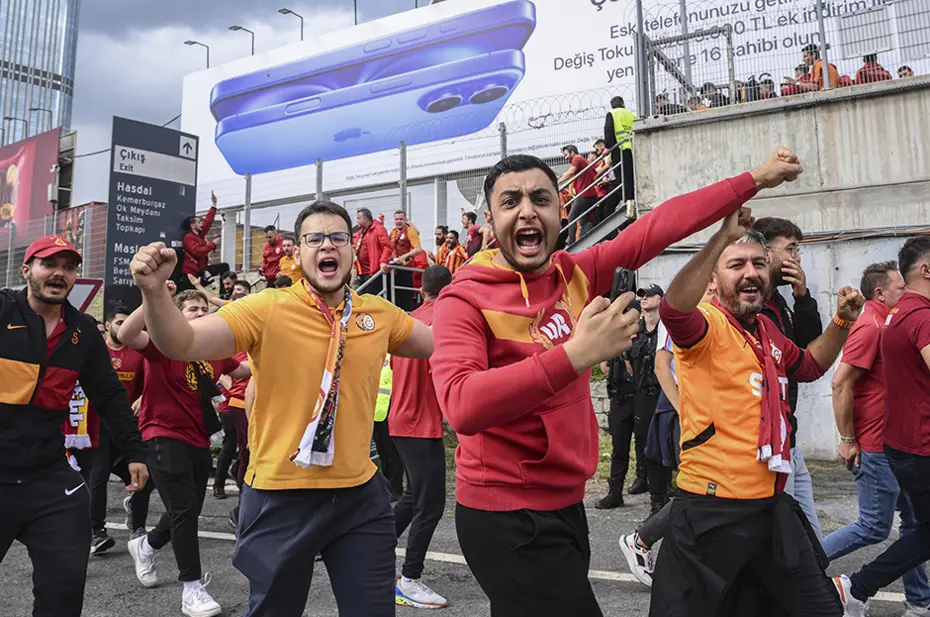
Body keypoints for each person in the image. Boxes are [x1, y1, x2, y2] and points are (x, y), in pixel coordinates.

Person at [430, 149, 803, 616]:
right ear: (490, 218)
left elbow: (659, 225)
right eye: (511, 201)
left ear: (560, 210)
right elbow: (462, 406)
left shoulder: (574, 274)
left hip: (565, 501)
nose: (527, 210)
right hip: (504, 512)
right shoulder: (462, 300)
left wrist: (755, 179)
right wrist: (575, 354)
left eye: (540, 198)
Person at [128, 200, 434, 617]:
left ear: (352, 249)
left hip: (359, 497)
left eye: (339, 237)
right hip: (280, 495)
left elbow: (435, 342)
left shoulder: (377, 314)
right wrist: (152, 293)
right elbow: (180, 342)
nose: (328, 245)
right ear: (298, 252)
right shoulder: (267, 308)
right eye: (315, 238)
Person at [650, 208, 863, 616]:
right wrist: (718, 239)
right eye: (736, 265)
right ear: (713, 280)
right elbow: (675, 310)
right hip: (712, 513)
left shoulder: (767, 331)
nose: (750, 273)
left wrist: (841, 321)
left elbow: (809, 365)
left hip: (770, 507)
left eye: (758, 264)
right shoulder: (706, 326)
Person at [0, 235, 148, 617]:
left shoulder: (82, 331)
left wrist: (134, 451)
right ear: (27, 269)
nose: (59, 274)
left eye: (68, 267)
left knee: (64, 592)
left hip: (48, 477)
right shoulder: (3, 310)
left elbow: (111, 397)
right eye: (49, 264)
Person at [118, 290, 251, 617]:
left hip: (197, 438)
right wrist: (153, 296)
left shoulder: (212, 350)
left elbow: (240, 370)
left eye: (204, 309)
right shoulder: (162, 342)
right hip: (161, 433)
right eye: (192, 308)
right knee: (183, 509)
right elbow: (126, 334)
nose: (201, 312)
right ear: (176, 314)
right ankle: (192, 588)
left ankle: (146, 545)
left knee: (187, 509)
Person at [824, 262, 930, 614]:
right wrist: (847, 438)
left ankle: (919, 601)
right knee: (873, 526)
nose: (907, 292)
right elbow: (840, 382)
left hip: (895, 443)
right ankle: (801, 567)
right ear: (880, 293)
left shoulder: (888, 322)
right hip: (873, 445)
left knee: (916, 526)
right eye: (901, 288)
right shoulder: (870, 326)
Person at [619, 280, 717, 588]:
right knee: (700, 490)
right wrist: (683, 409)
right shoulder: (681, 317)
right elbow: (663, 367)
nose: (715, 293)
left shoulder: (722, 319)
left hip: (715, 415)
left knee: (712, 492)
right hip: (685, 414)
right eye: (710, 287)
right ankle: (643, 539)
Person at [390, 265, 453, 609]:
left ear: (422, 289)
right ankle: (409, 579)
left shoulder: (409, 319)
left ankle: (372, 552)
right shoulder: (442, 320)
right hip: (419, 423)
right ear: (448, 289)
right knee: (430, 505)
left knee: (413, 498)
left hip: (399, 420)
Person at [87, 306, 147, 552]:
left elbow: (148, 386)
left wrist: (142, 398)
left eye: (128, 323)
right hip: (96, 424)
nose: (123, 328)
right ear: (108, 325)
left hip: (125, 426)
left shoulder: (139, 355)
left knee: (144, 476)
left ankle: (136, 516)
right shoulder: (93, 352)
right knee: (98, 477)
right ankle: (96, 532)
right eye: (119, 322)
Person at [627, 284, 664, 501]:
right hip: (641, 392)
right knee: (640, 437)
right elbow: (629, 362)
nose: (644, 299)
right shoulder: (634, 330)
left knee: (663, 435)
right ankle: (643, 478)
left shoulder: (667, 329)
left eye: (649, 296)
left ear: (661, 299)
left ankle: (665, 482)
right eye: (642, 296)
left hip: (662, 391)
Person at [594, 344, 637, 510]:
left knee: (645, 446)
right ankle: (615, 492)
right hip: (619, 397)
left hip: (639, 395)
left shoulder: (643, 333)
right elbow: (604, 366)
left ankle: (652, 489)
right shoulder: (615, 338)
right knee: (619, 449)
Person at [181, 192, 229, 289]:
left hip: (201, 270)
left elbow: (208, 221)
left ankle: (224, 293)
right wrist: (212, 244)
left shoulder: (200, 235)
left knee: (224, 267)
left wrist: (214, 205)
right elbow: (197, 252)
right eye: (199, 222)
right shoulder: (189, 237)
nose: (202, 224)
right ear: (192, 226)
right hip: (192, 274)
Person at [388, 210, 428, 312]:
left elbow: (418, 249)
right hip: (394, 269)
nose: (399, 221)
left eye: (401, 219)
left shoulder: (410, 231)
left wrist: (404, 257)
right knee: (395, 297)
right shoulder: (393, 232)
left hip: (406, 268)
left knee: (405, 299)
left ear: (405, 220)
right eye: (397, 219)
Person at [559, 144, 599, 240]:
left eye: (566, 155)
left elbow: (570, 172)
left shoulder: (577, 159)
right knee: (583, 220)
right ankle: (588, 239)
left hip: (584, 195)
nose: (565, 158)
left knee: (571, 218)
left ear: (572, 153)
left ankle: (572, 243)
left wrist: (557, 182)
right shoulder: (581, 161)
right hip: (588, 194)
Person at [604, 95, 637, 208]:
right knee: (631, 176)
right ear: (623, 103)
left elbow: (609, 131)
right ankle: (632, 200)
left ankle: (628, 203)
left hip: (619, 149)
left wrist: (609, 147)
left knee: (621, 179)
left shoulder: (612, 114)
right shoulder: (631, 115)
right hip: (632, 149)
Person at [354, 207, 393, 294]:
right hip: (362, 273)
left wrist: (383, 261)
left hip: (374, 272)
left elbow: (387, 246)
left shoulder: (378, 229)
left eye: (358, 218)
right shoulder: (360, 233)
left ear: (365, 219)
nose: (357, 221)